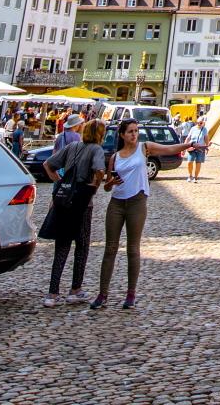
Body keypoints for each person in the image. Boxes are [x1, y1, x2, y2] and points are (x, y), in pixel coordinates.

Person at [42, 120, 106, 305]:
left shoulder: (72, 146)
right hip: (83, 203)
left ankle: (52, 294)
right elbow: (99, 170)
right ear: (100, 134)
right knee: (82, 245)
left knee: (62, 246)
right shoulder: (96, 149)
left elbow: (48, 164)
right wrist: (94, 187)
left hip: (64, 201)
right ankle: (75, 290)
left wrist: (60, 181)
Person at [91, 122, 151, 310]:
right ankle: (103, 294)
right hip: (117, 203)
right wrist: (110, 182)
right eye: (130, 132)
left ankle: (130, 294)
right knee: (110, 249)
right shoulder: (115, 157)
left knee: (133, 249)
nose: (134, 135)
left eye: (136, 131)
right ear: (122, 135)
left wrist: (188, 145)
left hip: (137, 202)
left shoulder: (144, 148)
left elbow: (169, 148)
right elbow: (107, 186)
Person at [183, 117, 209, 181]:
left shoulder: (204, 129)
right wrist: (184, 147)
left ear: (203, 123)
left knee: (198, 162)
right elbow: (188, 138)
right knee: (189, 161)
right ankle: (190, 176)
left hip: (200, 148)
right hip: (192, 147)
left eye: (201, 123)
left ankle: (196, 177)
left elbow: (206, 138)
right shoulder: (193, 129)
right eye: (198, 122)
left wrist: (206, 147)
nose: (199, 124)